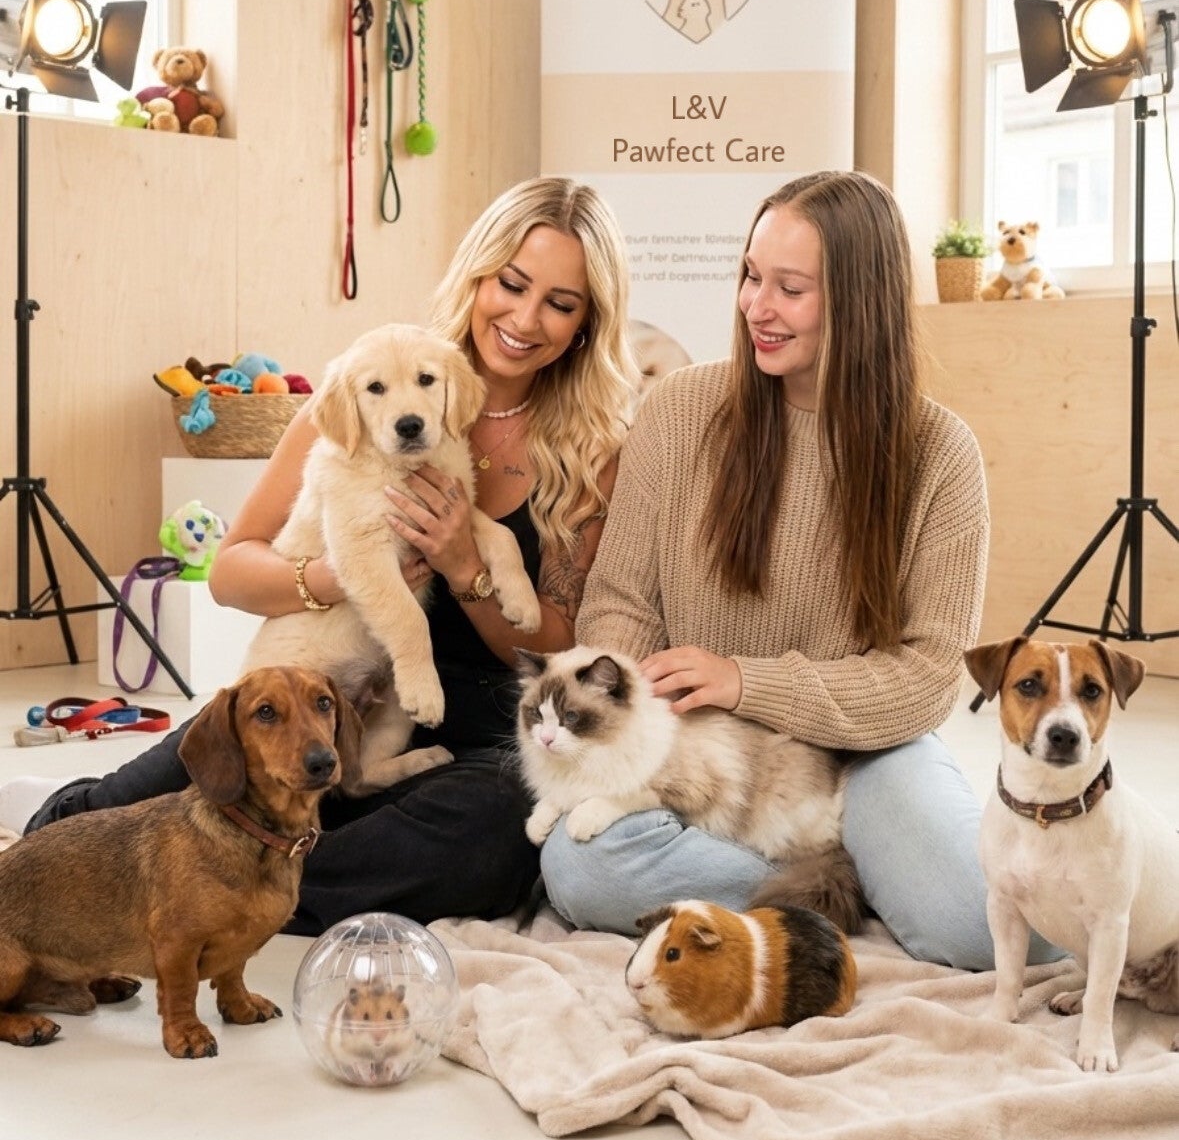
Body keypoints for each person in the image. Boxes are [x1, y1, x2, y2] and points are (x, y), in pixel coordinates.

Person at [18, 177, 638, 936]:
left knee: (490, 831)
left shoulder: (589, 450)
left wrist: (464, 569)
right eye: (511, 284)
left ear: (586, 324)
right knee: (159, 792)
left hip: (473, 728)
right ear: (477, 276)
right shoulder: (367, 386)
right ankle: (75, 838)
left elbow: (559, 646)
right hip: (316, 690)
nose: (525, 318)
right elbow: (231, 571)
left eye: (560, 303)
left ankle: (225, 887)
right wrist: (334, 578)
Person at [539, 169, 1056, 971]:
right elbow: (620, 602)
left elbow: (926, 678)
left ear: (860, 301)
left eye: (790, 288)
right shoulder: (677, 409)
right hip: (700, 746)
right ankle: (838, 883)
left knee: (976, 923)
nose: (756, 305)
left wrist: (746, 681)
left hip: (864, 756)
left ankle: (857, 868)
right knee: (581, 868)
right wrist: (637, 713)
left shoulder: (939, 452)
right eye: (750, 275)